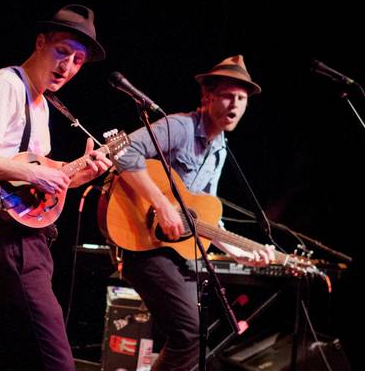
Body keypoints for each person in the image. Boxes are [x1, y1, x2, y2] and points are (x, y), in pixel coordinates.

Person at [0, 4, 113, 371]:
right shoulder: (6, 84)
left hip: (30, 241)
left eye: (78, 60)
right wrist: (38, 175)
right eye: (62, 52)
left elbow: (40, 184)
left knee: (10, 357)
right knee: (56, 361)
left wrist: (84, 173)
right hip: (9, 242)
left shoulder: (43, 107)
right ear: (40, 43)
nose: (68, 66)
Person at [113, 55, 276, 371]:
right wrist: (161, 205)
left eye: (242, 99)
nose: (235, 104)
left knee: (196, 337)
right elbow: (122, 149)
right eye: (228, 95)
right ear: (207, 97)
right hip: (144, 243)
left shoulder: (220, 150)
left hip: (180, 253)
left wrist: (240, 253)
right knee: (189, 334)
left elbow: (206, 217)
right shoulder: (180, 127)